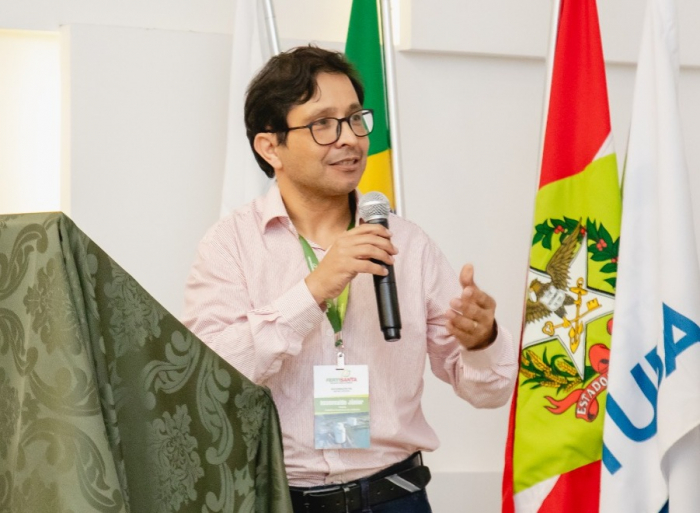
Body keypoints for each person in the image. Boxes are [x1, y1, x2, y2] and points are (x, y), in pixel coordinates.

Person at [182, 45, 518, 513]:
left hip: (394, 497)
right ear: (270, 147)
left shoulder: (408, 244)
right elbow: (208, 379)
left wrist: (483, 340)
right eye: (323, 124)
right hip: (276, 499)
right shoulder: (231, 244)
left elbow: (490, 391)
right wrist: (313, 291)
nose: (350, 139)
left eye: (356, 119)